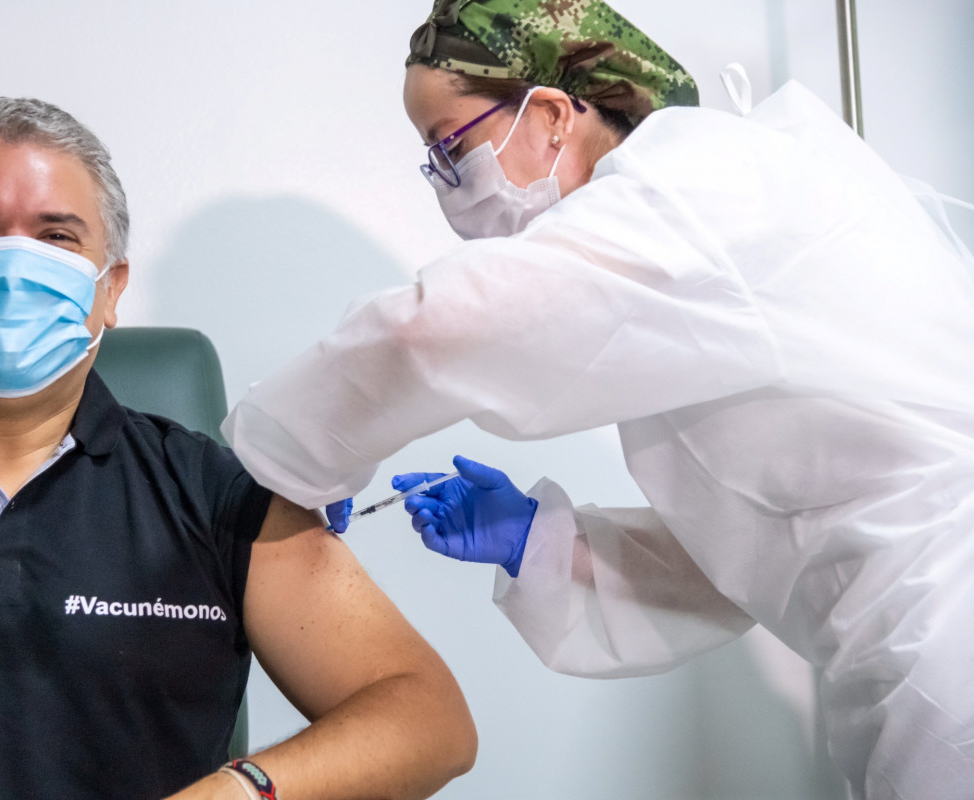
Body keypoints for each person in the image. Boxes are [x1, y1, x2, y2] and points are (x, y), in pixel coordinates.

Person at [221, 1, 974, 798]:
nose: (445, 186)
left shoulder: (695, 191)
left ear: (549, 114)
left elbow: (434, 331)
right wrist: (541, 544)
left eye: (450, 149)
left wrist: (277, 463)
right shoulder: (706, 227)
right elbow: (762, 549)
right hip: (912, 644)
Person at [0, 96, 477, 800]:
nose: (16, 269)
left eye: (56, 238)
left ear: (110, 289)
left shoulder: (213, 493)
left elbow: (425, 716)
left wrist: (239, 791)